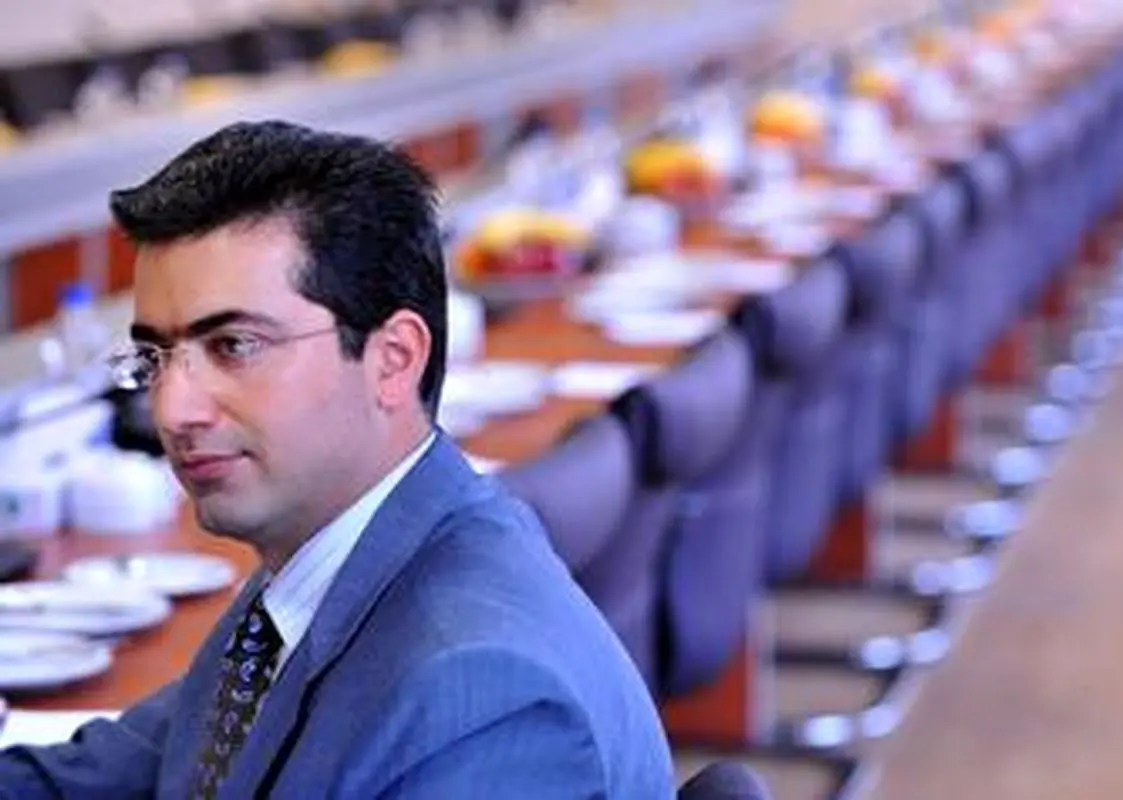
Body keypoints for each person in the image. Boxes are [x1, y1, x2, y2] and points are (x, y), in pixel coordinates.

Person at [0, 121, 674, 799]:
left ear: (393, 360)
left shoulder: (481, 696)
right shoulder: (322, 570)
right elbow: (123, 772)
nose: (173, 410)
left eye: (234, 346)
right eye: (155, 357)